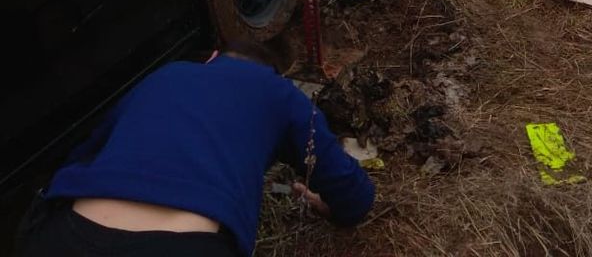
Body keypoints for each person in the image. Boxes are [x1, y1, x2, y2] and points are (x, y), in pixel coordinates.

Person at [14, 46, 374, 256]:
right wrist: (333, 206)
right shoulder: (279, 92)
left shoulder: (166, 74)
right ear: (276, 74)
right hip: (183, 247)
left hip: (60, 236)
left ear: (211, 57)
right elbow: (354, 195)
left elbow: (85, 152)